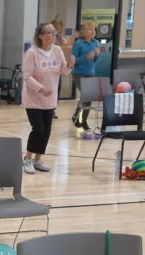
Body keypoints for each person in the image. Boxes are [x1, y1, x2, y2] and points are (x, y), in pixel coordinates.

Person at [21, 23, 75, 174]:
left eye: (55, 33)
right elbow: (27, 77)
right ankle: (27, 159)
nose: (54, 35)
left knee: (47, 130)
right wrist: (41, 88)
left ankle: (38, 159)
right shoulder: (32, 53)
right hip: (33, 98)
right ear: (41, 36)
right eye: (50, 33)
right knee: (38, 129)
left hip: (50, 98)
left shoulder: (57, 50)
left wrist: (70, 65)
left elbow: (63, 71)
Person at [71, 23, 100, 131]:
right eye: (89, 29)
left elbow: (95, 60)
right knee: (85, 95)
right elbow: (74, 60)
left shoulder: (95, 43)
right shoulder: (78, 43)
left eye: (93, 29)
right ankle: (76, 116)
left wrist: (97, 56)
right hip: (79, 72)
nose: (92, 31)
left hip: (90, 72)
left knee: (89, 97)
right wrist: (85, 57)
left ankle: (84, 120)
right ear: (84, 31)